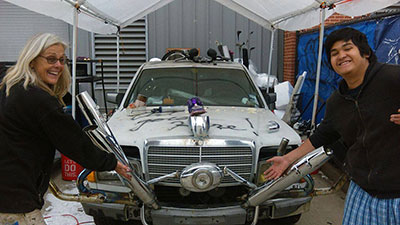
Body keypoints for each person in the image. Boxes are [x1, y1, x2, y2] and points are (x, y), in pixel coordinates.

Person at [264, 27, 400, 225]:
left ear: (366, 53)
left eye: (347, 48)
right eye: (334, 53)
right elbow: (323, 134)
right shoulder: (338, 100)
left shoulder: (392, 78)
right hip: (363, 191)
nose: (341, 56)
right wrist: (287, 159)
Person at [0, 33, 132, 225]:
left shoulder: (9, 86)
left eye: (62, 60)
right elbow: (74, 142)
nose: (59, 65)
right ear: (32, 61)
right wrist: (111, 163)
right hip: (15, 200)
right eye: (51, 59)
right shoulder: (37, 99)